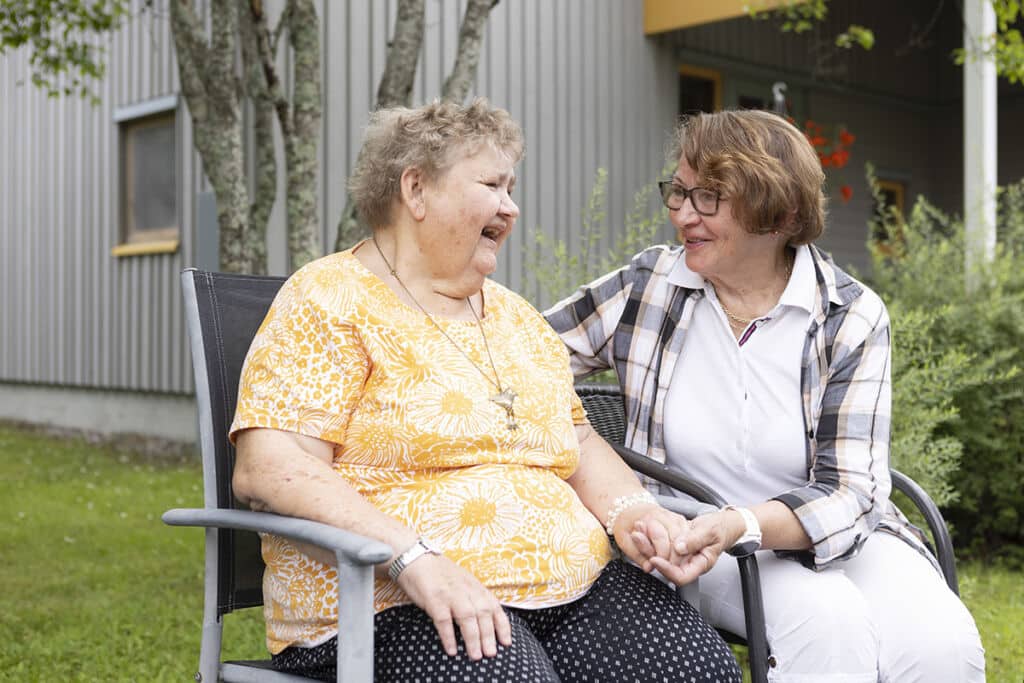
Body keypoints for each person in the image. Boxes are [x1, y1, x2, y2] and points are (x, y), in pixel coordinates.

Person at [228, 98, 741, 682]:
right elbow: (270, 468)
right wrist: (414, 559)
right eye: (493, 185)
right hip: (392, 600)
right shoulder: (328, 298)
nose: (511, 207)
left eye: (512, 187)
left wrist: (632, 511)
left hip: (573, 586)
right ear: (415, 190)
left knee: (696, 670)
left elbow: (575, 437)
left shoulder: (515, 317)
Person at [545, 109, 986, 682]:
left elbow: (853, 491)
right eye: (678, 192)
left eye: (709, 198)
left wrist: (742, 523)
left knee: (941, 645)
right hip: (694, 540)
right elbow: (517, 354)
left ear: (779, 214)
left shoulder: (847, 314)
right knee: (827, 625)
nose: (682, 213)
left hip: (836, 531)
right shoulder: (646, 287)